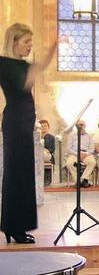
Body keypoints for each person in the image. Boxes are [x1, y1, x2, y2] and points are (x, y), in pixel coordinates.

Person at [1, 23, 55, 244]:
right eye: (26, 42)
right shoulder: (4, 64)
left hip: (23, 122)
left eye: (31, 42)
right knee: (16, 174)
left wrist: (52, 48)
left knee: (23, 174)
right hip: (16, 123)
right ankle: (13, 226)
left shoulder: (20, 64)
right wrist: (48, 54)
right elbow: (27, 82)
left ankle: (16, 226)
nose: (30, 46)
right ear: (13, 42)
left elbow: (37, 69)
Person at [65, 120, 97, 188]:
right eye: (79, 125)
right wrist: (77, 154)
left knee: (92, 162)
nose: (80, 126)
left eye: (82, 124)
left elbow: (92, 149)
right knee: (69, 163)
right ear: (76, 126)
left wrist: (86, 153)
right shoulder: (72, 135)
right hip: (74, 153)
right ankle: (78, 181)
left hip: (86, 154)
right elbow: (68, 148)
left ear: (85, 126)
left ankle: (82, 180)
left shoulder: (89, 136)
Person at [40, 119, 56, 186]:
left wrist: (46, 150)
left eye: (45, 126)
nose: (44, 128)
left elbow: (52, 149)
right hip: (38, 154)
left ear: (48, 127)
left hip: (47, 155)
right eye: (42, 126)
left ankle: (46, 179)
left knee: (43, 154)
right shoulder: (35, 136)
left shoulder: (51, 137)